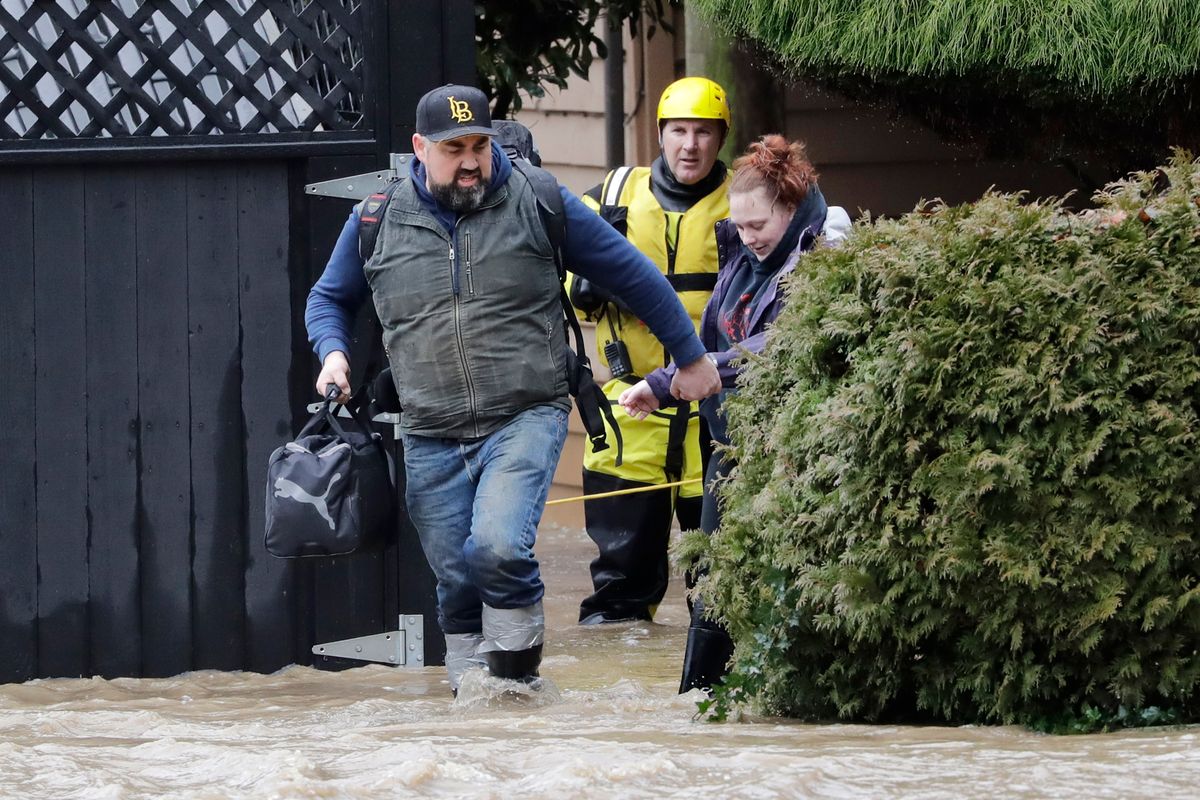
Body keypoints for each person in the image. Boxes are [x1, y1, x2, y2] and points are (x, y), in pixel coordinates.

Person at [303, 84, 719, 693]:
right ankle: (476, 703)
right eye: (454, 149)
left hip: (525, 414)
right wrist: (333, 353)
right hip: (430, 427)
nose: (472, 161)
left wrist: (690, 357)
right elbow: (328, 298)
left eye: (481, 145)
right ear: (420, 149)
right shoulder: (376, 217)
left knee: (498, 548)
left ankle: (518, 687)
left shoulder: (538, 199)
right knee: (455, 575)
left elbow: (632, 274)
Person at [618, 134, 852, 692]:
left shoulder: (824, 261)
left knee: (778, 585)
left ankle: (783, 701)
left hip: (792, 459)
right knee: (716, 582)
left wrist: (672, 382)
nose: (747, 239)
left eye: (758, 227)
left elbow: (775, 348)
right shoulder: (744, 260)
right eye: (738, 227)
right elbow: (704, 345)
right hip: (727, 451)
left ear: (792, 209)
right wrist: (664, 382)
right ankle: (700, 708)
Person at [570, 77, 733, 625]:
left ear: (720, 138)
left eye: (704, 133)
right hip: (629, 409)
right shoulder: (611, 196)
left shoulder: (746, 202)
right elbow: (557, 276)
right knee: (618, 594)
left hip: (717, 415)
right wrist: (590, 284)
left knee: (721, 589)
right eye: (679, 131)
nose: (691, 145)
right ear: (660, 135)